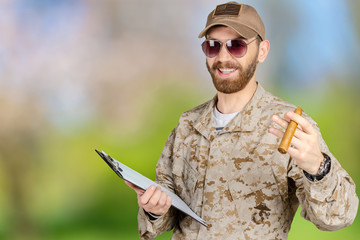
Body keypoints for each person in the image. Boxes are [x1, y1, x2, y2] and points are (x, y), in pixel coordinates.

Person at [126, 2, 359, 239]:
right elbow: (164, 218)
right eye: (213, 45)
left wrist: (318, 167)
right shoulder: (187, 125)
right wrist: (154, 210)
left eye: (236, 46)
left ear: (262, 51)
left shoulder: (290, 126)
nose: (223, 57)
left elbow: (338, 217)